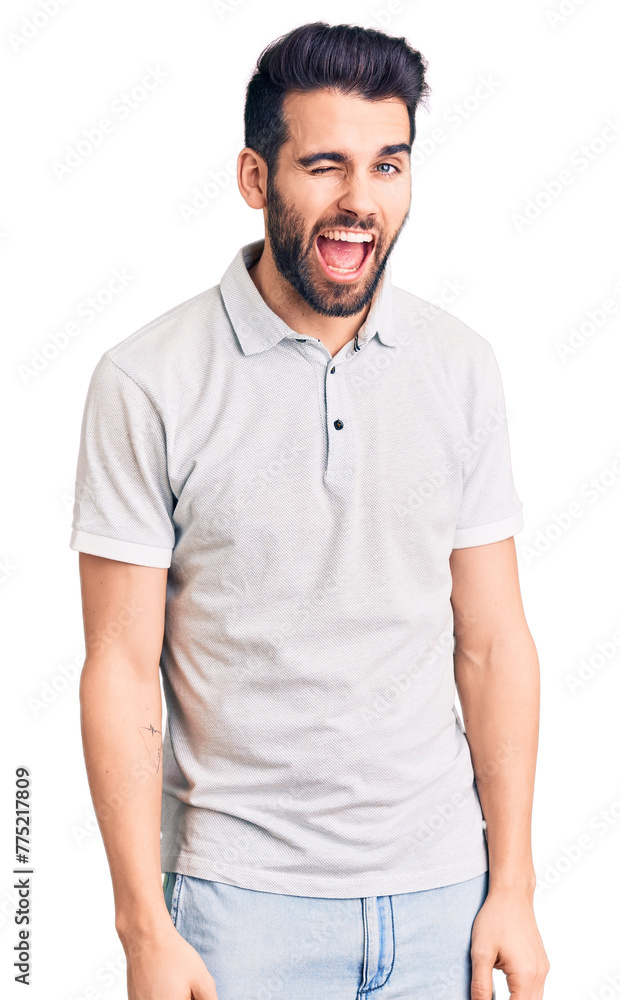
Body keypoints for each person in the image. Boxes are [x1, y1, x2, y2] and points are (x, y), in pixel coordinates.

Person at [70, 20, 550, 1000]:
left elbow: (492, 642)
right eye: (323, 166)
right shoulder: (147, 380)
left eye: (386, 166)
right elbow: (120, 670)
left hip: (440, 904)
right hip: (238, 912)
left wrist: (513, 885)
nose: (358, 202)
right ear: (255, 178)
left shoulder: (459, 367)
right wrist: (141, 929)